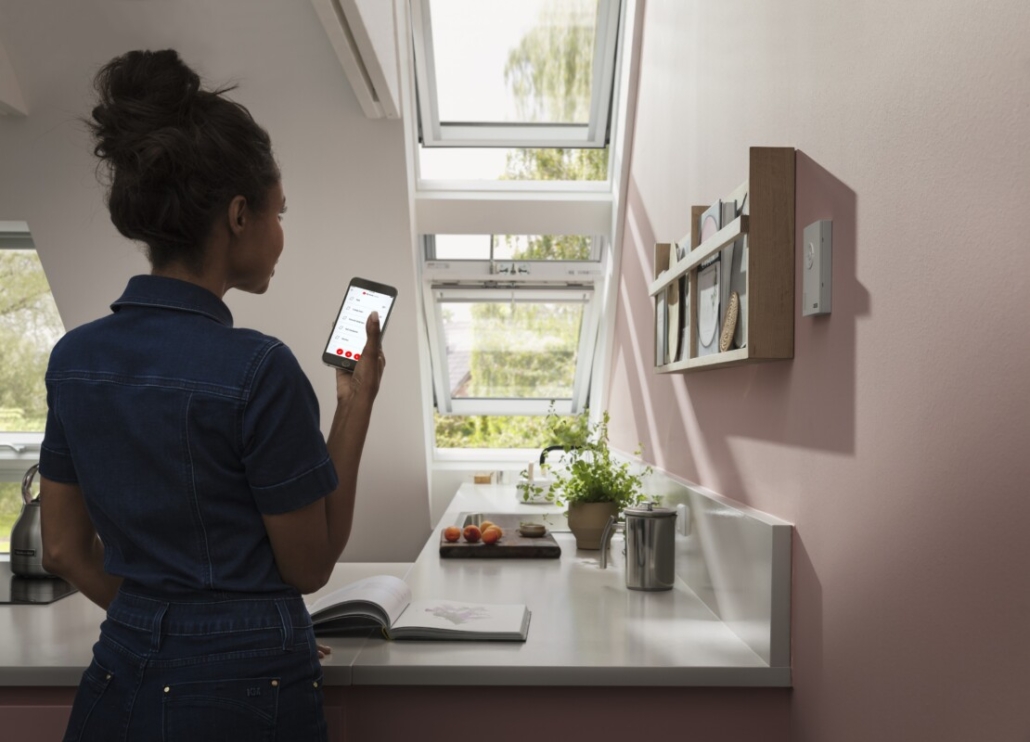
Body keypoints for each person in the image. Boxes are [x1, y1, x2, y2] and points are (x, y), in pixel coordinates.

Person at [37, 49, 384, 741]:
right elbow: (311, 564)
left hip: (118, 674)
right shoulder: (259, 369)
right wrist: (355, 403)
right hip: (245, 693)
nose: (281, 235)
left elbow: (65, 552)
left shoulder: (73, 359)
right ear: (237, 215)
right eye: (278, 212)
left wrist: (163, 627)